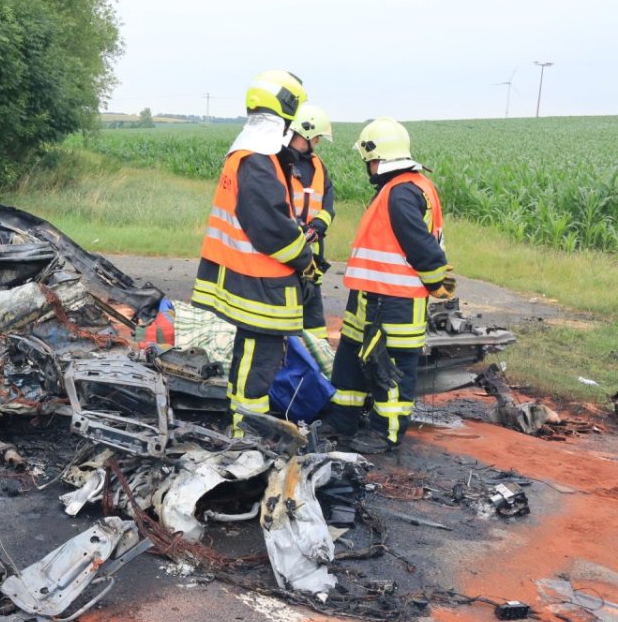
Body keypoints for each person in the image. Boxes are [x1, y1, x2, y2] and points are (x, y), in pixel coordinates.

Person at [190, 70, 316, 437]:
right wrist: (305, 260)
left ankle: (240, 423)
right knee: (260, 358)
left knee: (250, 353)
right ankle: (248, 433)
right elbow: (273, 230)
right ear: (286, 112)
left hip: (245, 274)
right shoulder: (259, 160)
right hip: (260, 280)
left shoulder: (249, 153)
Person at [325, 117, 453, 453]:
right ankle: (341, 422)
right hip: (370, 297)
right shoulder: (409, 187)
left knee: (391, 370)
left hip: (394, 301)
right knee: (351, 359)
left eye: (367, 160)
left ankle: (387, 434)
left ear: (376, 157)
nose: (367, 166)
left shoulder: (399, 194)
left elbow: (422, 247)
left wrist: (438, 280)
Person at [285, 102, 336, 340]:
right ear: (305, 133)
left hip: (312, 257)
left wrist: (317, 226)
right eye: (316, 138)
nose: (317, 143)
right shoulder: (279, 162)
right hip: (285, 250)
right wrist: (296, 227)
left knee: (314, 319)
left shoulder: (318, 167)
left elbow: (328, 205)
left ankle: (317, 358)